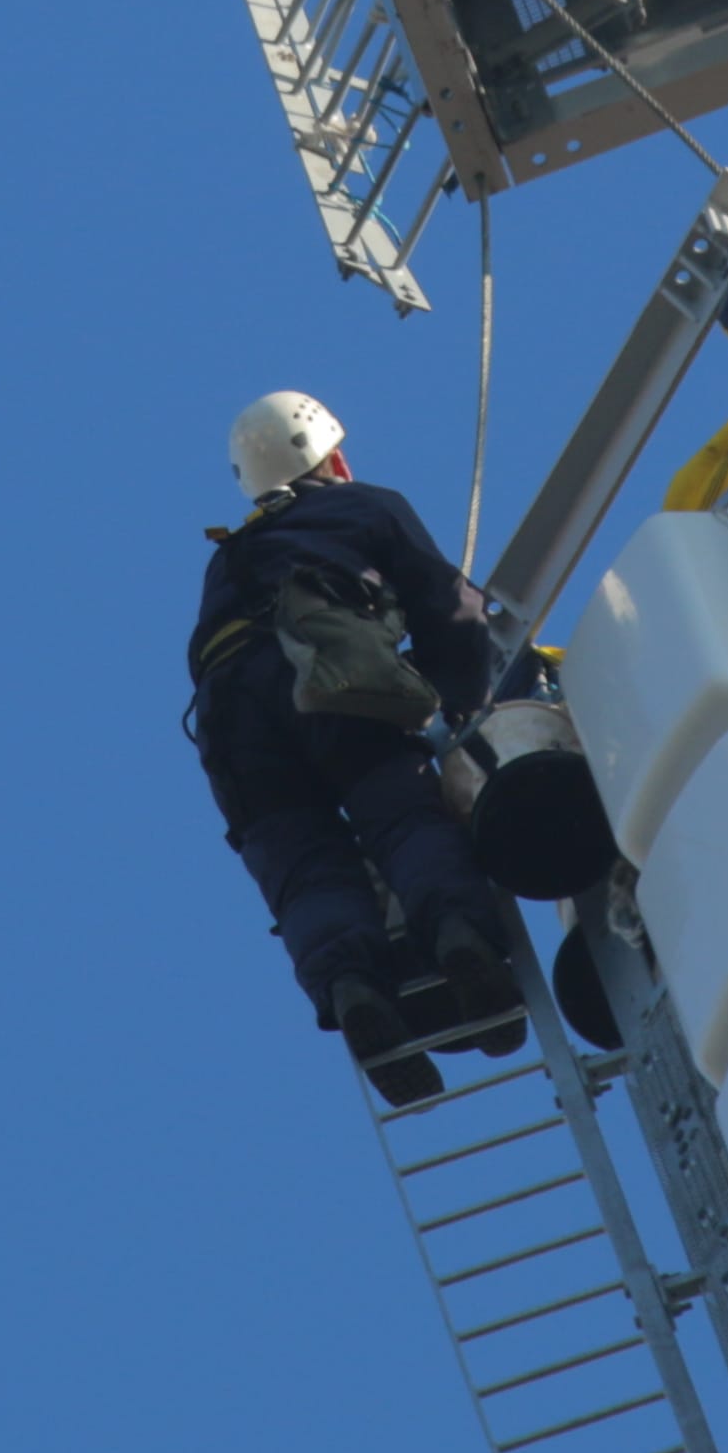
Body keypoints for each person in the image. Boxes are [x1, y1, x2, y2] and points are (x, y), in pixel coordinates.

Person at [190, 390, 510, 1095]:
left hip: (230, 725)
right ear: (334, 454)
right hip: (324, 678)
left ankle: (351, 989)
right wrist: (462, 705)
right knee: (400, 814)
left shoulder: (228, 559)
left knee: (304, 868)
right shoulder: (364, 506)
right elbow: (450, 607)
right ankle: (460, 937)